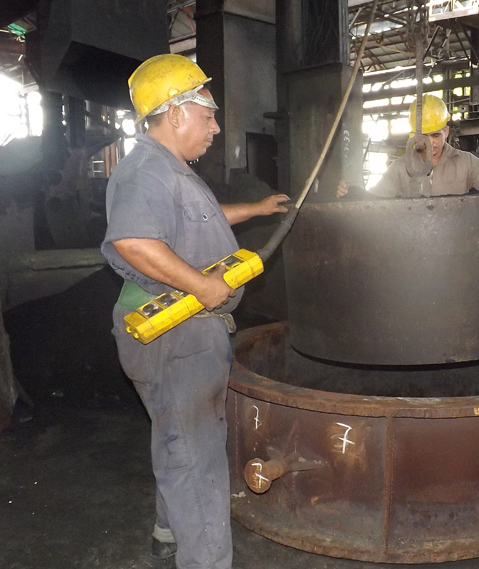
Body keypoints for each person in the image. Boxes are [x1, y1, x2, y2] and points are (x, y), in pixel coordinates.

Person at [101, 54, 289, 569]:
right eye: (207, 114)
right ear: (175, 112)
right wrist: (202, 285)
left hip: (183, 332)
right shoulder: (145, 171)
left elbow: (194, 219)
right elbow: (134, 242)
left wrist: (253, 210)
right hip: (175, 332)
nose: (216, 125)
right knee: (197, 458)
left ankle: (167, 532)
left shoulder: (169, 170)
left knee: (178, 436)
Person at [337, 93, 479, 198]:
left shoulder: (467, 163)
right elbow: (373, 201)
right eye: (423, 137)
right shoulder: (399, 168)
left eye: (435, 135)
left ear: (446, 132)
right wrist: (352, 192)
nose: (430, 142)